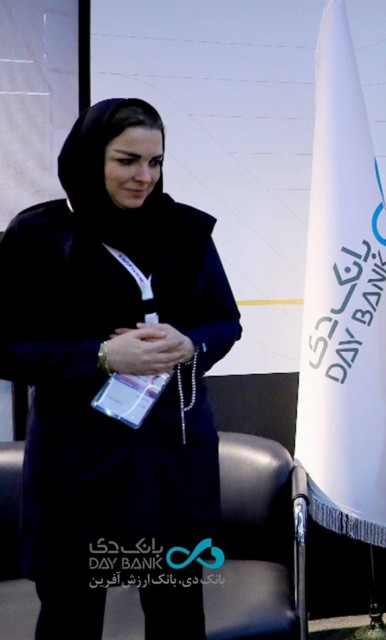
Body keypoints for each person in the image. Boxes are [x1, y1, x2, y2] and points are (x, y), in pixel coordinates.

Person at [0, 98, 242, 639]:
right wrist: (101, 357)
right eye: (127, 161)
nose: (144, 177)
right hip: (76, 461)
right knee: (70, 614)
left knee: (177, 614)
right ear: (91, 158)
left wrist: (191, 343)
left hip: (169, 456)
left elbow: (225, 322)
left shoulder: (185, 231)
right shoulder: (37, 236)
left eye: (155, 162)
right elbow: (6, 345)